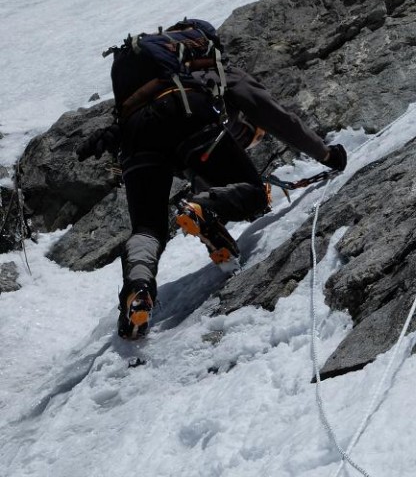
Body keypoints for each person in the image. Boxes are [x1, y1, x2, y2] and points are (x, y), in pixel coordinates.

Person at [77, 18, 347, 339]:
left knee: (147, 229)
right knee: (253, 194)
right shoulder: (214, 71)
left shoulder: (151, 74)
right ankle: (204, 209)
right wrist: (326, 155)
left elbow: (189, 161)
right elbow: (275, 117)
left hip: (134, 133)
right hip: (185, 111)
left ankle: (138, 291)